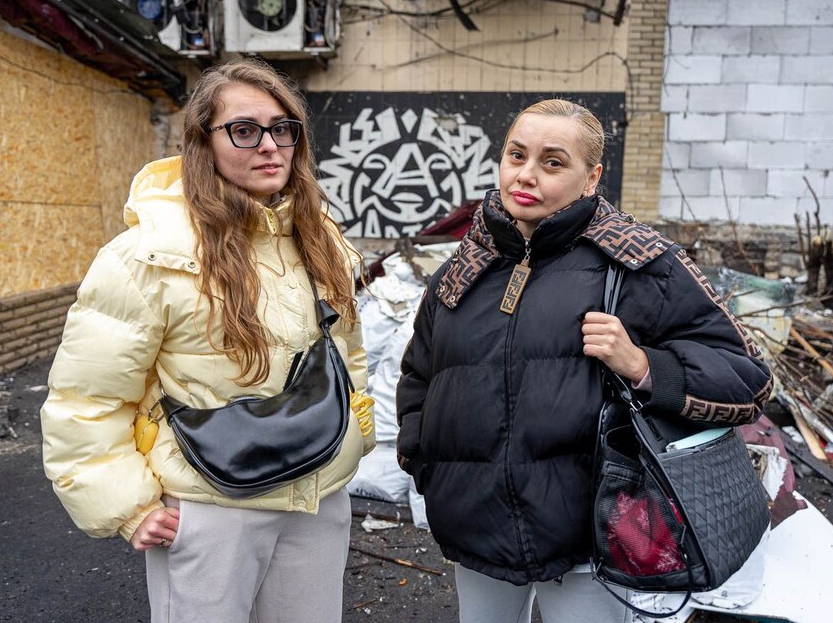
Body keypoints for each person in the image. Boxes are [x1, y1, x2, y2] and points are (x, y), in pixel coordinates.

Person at [395, 99, 773, 623]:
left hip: (589, 539)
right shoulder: (464, 267)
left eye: (553, 162)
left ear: (591, 177)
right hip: (475, 527)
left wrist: (643, 364)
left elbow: (748, 380)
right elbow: (419, 376)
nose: (526, 175)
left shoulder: (641, 263)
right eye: (516, 154)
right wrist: (425, 467)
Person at [41, 59, 375, 623]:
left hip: (317, 496)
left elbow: (348, 352)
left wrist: (355, 434)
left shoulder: (321, 239)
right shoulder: (148, 253)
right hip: (211, 504)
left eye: (283, 127)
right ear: (204, 141)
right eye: (244, 130)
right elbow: (87, 396)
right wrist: (126, 505)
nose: (270, 145)